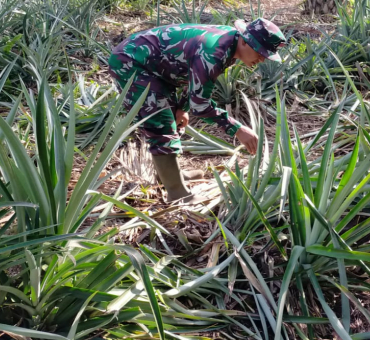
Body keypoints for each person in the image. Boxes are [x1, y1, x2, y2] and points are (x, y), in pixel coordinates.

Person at [108, 18, 286, 203]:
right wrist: (238, 129)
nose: (262, 59)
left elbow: (195, 78)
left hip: (156, 67)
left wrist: (182, 108)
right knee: (160, 124)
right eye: (260, 52)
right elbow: (200, 106)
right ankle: (177, 193)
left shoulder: (231, 44)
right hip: (131, 63)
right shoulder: (214, 52)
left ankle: (170, 176)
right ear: (244, 41)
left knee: (170, 117)